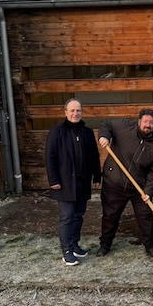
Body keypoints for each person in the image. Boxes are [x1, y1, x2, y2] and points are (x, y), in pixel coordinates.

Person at [96, 108, 153, 258]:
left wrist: (148, 191)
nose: (148, 125)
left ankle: (150, 246)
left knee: (145, 216)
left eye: (151, 123)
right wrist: (104, 136)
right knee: (110, 216)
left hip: (138, 188)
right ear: (139, 122)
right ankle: (105, 245)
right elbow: (106, 124)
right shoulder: (124, 127)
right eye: (145, 121)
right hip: (114, 183)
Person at [45, 98, 102, 266]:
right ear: (65, 112)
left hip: (82, 183)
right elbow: (50, 157)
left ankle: (75, 245)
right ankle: (67, 251)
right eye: (72, 110)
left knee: (78, 215)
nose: (75, 113)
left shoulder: (87, 132)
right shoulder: (57, 132)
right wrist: (53, 180)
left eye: (78, 110)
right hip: (64, 183)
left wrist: (97, 177)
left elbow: (94, 157)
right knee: (67, 216)